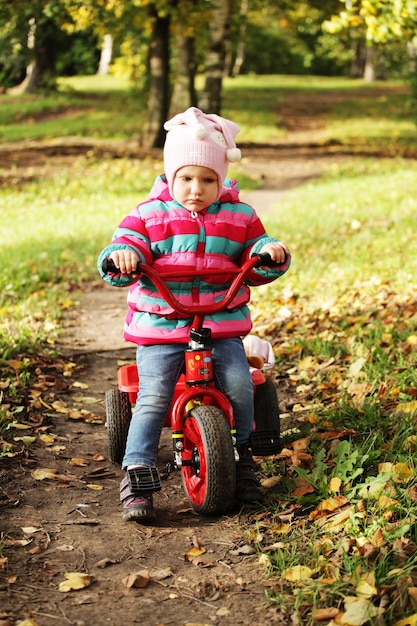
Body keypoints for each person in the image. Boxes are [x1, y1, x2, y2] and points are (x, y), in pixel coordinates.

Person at [98, 107, 291, 523]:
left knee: (240, 385)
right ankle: (137, 468)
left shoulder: (239, 216)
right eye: (186, 178)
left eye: (208, 179)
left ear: (222, 179)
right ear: (170, 176)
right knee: (152, 398)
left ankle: (239, 459)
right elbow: (122, 244)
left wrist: (269, 254)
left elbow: (258, 253)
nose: (196, 189)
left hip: (220, 326)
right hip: (161, 327)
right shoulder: (148, 215)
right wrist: (123, 255)